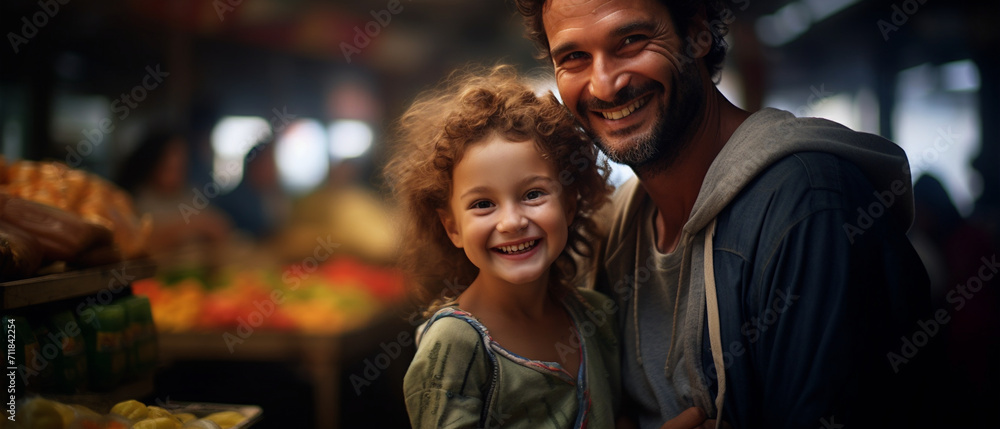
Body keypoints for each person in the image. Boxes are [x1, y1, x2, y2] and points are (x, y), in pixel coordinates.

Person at [513, 0, 937, 428]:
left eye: (632, 41)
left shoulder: (808, 206)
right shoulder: (615, 229)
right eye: (573, 58)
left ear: (697, 34)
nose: (604, 85)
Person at [387, 64, 620, 428]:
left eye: (533, 194)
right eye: (483, 204)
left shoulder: (598, 317)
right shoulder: (454, 347)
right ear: (452, 228)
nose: (511, 222)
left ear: (570, 204)